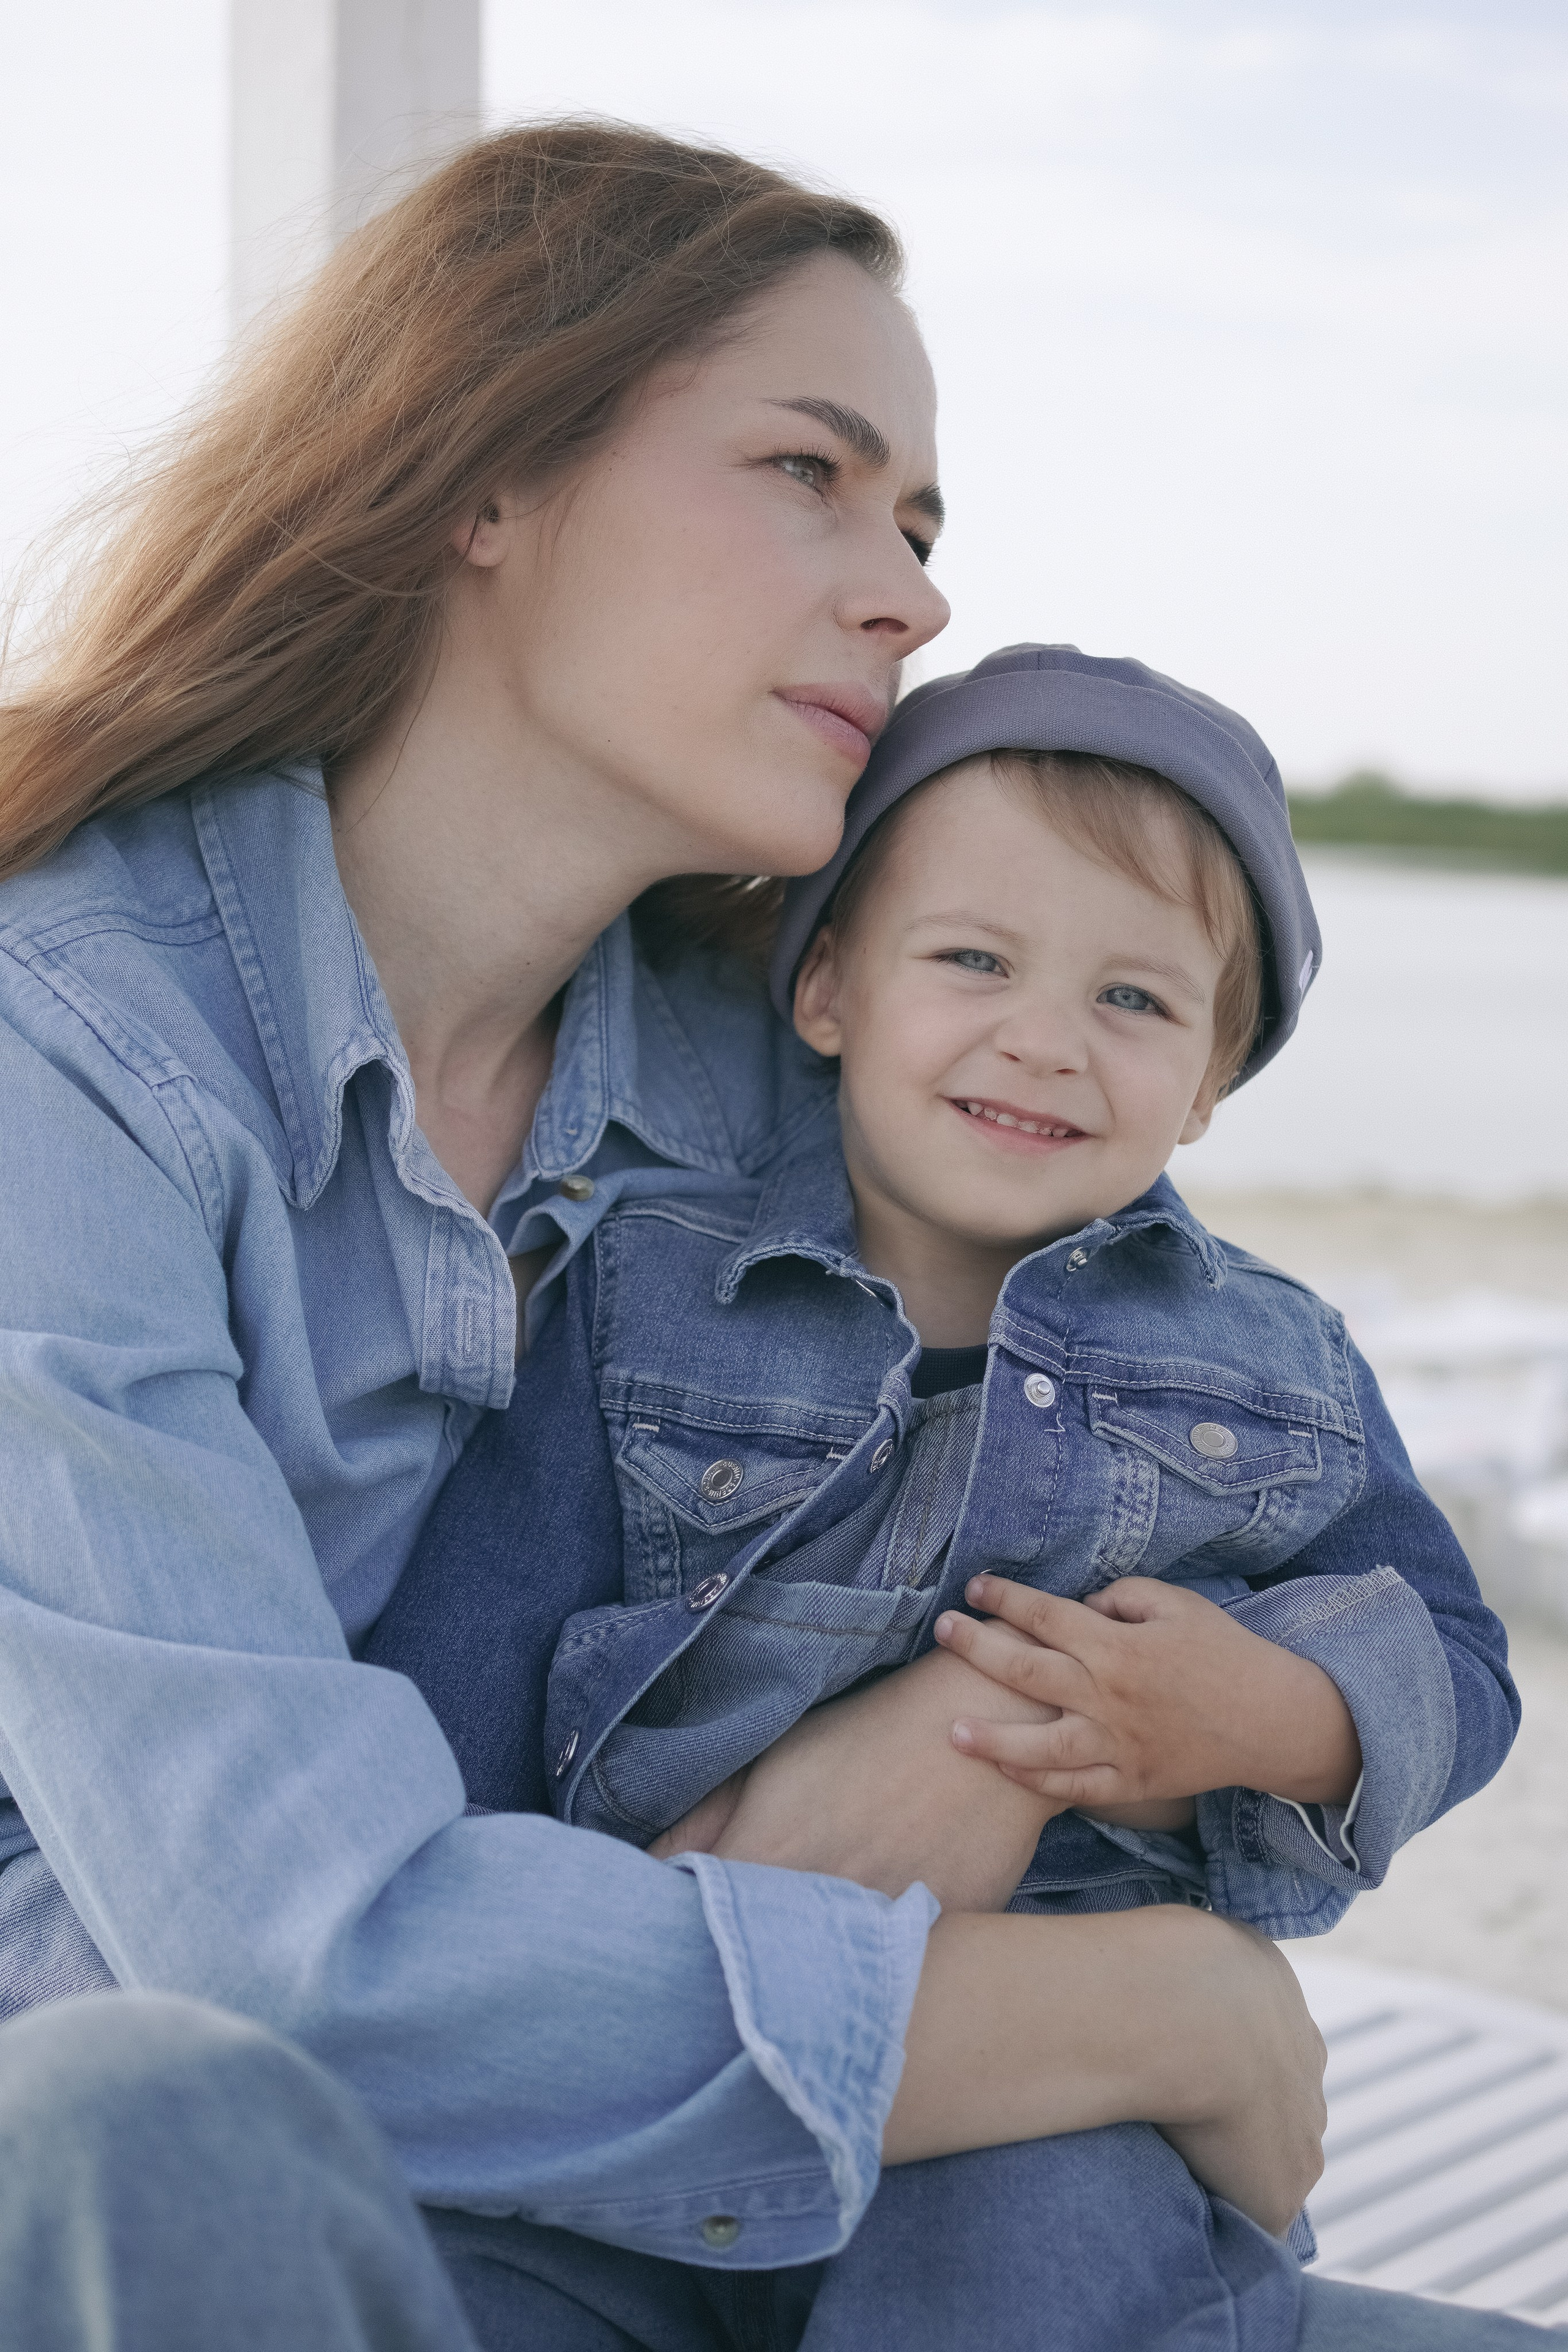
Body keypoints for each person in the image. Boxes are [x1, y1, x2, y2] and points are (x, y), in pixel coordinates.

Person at [0, 117, 1536, 2351]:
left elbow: (1183, 1377)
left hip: (811, 2190)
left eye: (920, 522)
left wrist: (1106, 1719)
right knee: (136, 2114)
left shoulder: (787, 1043)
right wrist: (1163, 2005)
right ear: (486, 477)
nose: (910, 589)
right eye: (809, 472)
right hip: (248, 2194)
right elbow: (275, 1967)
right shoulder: (68, 1055)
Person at [371, 647, 1515, 1954]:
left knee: (1076, 2178)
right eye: (974, 960)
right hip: (678, 1973)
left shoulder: (1276, 1361)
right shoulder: (647, 1303)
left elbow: (1460, 1667)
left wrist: (1267, 1712)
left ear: (1207, 1082)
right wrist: (472, 1936)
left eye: (1132, 998)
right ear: (828, 991)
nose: (1043, 1039)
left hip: (1077, 2006)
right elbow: (467, 1659)